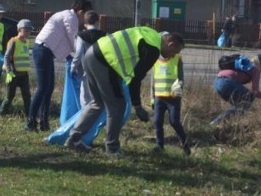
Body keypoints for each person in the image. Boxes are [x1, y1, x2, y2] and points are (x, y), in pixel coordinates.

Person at [64, 28, 184, 156]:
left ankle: (74, 139)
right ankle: (112, 148)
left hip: (92, 54)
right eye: (173, 52)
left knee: (97, 103)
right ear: (171, 44)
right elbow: (136, 79)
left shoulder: (150, 33)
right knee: (117, 106)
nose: (172, 56)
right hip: (105, 61)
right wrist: (137, 106)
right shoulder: (153, 49)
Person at [25, 0, 93, 132]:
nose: (83, 18)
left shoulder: (65, 15)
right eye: (84, 14)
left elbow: (63, 40)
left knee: (49, 88)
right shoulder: (71, 18)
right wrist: (85, 53)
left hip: (46, 51)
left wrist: (70, 56)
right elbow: (74, 41)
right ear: (80, 11)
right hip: (43, 50)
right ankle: (30, 122)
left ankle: (44, 122)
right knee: (42, 88)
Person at [210, 54, 261, 125]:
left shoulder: (243, 64)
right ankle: (217, 121)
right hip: (227, 83)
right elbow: (256, 93)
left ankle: (220, 121)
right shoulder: (255, 70)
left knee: (239, 106)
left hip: (217, 82)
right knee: (249, 99)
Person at [150, 48, 190, 155]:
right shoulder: (155, 60)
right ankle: (159, 146)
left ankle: (185, 144)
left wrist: (178, 91)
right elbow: (153, 81)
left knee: (174, 122)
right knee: (157, 122)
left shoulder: (177, 59)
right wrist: (152, 99)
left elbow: (181, 79)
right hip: (159, 98)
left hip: (173, 99)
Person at [71, 10, 106, 107]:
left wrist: (73, 68)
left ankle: (87, 117)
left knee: (85, 97)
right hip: (101, 71)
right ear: (98, 22)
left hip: (87, 70)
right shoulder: (105, 35)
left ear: (85, 24)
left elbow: (78, 53)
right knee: (99, 96)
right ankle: (100, 119)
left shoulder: (81, 36)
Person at [0, 19, 34, 117]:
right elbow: (6, 57)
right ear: (19, 30)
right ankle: (2, 114)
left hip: (24, 75)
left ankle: (29, 116)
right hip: (13, 74)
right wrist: (9, 71)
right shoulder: (13, 42)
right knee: (9, 96)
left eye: (29, 30)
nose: (28, 32)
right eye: (26, 30)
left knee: (27, 97)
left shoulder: (27, 42)